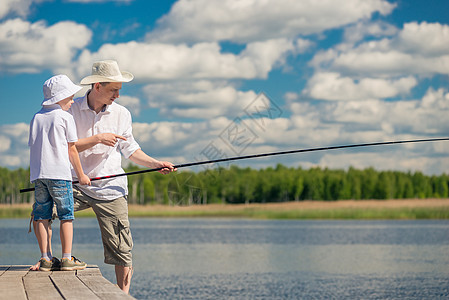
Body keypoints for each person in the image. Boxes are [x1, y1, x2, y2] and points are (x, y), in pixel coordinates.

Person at [69, 60, 176, 293]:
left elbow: (131, 150)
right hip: (76, 183)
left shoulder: (122, 114)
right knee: (43, 210)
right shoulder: (71, 110)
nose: (118, 95)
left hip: (111, 188)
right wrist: (97, 139)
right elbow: (64, 147)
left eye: (119, 89)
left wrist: (156, 164)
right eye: (113, 90)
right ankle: (46, 259)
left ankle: (123, 296)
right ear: (97, 86)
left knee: (122, 249)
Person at [29, 74, 91, 272]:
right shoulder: (65, 117)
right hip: (60, 175)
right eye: (70, 97)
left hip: (39, 176)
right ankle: (66, 259)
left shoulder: (36, 117)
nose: (72, 101)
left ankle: (45, 259)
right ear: (60, 97)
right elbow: (71, 149)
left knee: (41, 216)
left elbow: (33, 145)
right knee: (66, 216)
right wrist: (81, 175)